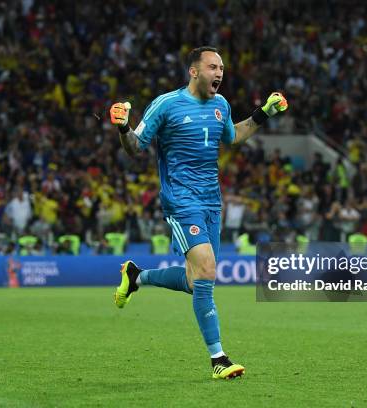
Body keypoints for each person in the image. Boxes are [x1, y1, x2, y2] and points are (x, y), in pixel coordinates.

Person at [107, 46, 288, 379]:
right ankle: (218, 359)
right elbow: (136, 147)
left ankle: (136, 277)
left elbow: (234, 136)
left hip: (211, 202)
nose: (219, 72)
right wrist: (122, 127)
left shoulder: (220, 105)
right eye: (212, 67)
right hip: (181, 200)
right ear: (194, 71)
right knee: (206, 270)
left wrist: (263, 113)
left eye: (222, 67)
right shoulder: (166, 104)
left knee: (196, 282)